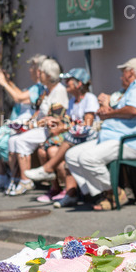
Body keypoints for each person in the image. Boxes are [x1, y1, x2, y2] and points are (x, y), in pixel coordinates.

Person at [64, 57, 136, 210]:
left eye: (124, 73)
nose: (121, 77)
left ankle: (113, 193)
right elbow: (122, 107)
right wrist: (107, 108)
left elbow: (133, 110)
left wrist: (109, 114)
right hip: (113, 138)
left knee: (87, 158)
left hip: (129, 143)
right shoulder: (132, 88)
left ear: (131, 73)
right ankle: (104, 192)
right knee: (71, 156)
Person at [24, 67, 100, 205]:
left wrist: (62, 127)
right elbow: (70, 121)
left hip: (87, 137)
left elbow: (87, 123)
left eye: (69, 80)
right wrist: (55, 121)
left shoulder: (90, 98)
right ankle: (57, 189)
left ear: (79, 84)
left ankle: (67, 189)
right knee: (42, 150)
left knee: (53, 150)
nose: (66, 82)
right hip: (75, 136)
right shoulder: (72, 101)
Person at [0, 54, 48, 191]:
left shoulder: (41, 88)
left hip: (26, 126)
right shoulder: (37, 87)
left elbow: (19, 98)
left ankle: (10, 176)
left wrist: (4, 84)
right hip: (18, 124)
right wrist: (9, 82)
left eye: (32, 67)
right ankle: (4, 176)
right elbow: (21, 95)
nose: (30, 70)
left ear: (39, 71)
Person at [5, 57, 66, 196]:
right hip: (41, 127)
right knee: (13, 140)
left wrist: (33, 125)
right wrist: (27, 123)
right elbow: (39, 111)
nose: (39, 74)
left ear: (49, 75)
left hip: (51, 130)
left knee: (21, 141)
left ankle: (26, 181)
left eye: (42, 72)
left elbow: (56, 119)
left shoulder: (59, 91)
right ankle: (18, 178)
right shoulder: (47, 90)